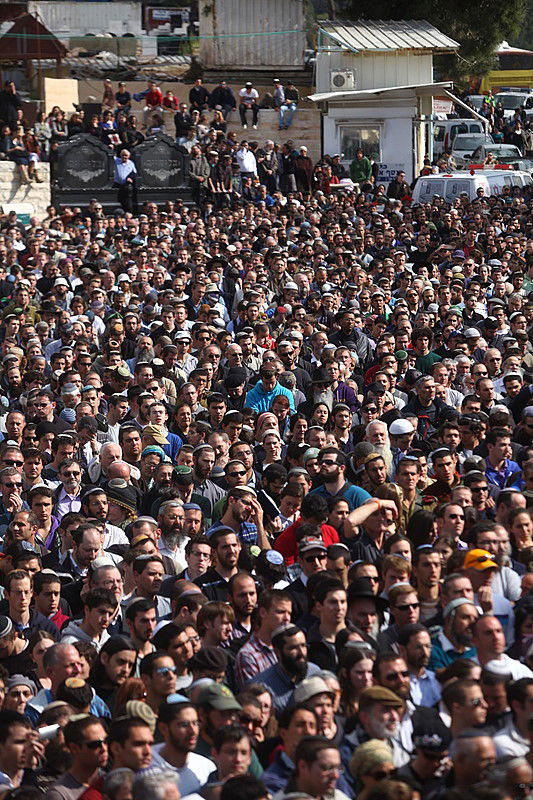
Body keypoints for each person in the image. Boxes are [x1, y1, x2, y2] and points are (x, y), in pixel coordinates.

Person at [114, 149, 137, 213]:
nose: (124, 157)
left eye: (126, 155)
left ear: (129, 156)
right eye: (123, 155)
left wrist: (130, 178)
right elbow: (110, 155)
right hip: (117, 184)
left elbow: (134, 173)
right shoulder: (116, 160)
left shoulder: (131, 163)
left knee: (127, 201)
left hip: (126, 185)